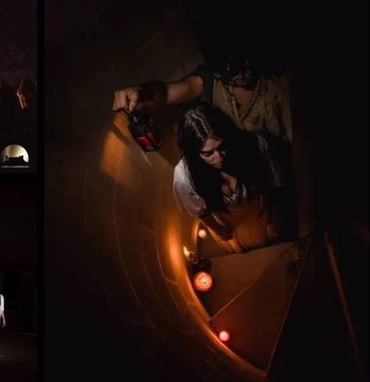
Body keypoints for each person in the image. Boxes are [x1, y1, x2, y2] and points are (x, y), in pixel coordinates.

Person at [112, 53, 292, 148]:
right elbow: (168, 92)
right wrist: (140, 91)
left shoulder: (275, 81)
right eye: (233, 67)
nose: (242, 73)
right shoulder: (212, 81)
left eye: (245, 65)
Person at [173, 102, 287, 252]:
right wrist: (220, 230)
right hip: (226, 222)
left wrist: (272, 217)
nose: (219, 158)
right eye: (208, 154)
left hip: (259, 210)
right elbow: (200, 212)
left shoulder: (255, 146)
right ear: (194, 154)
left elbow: (274, 184)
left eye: (222, 147)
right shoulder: (184, 178)